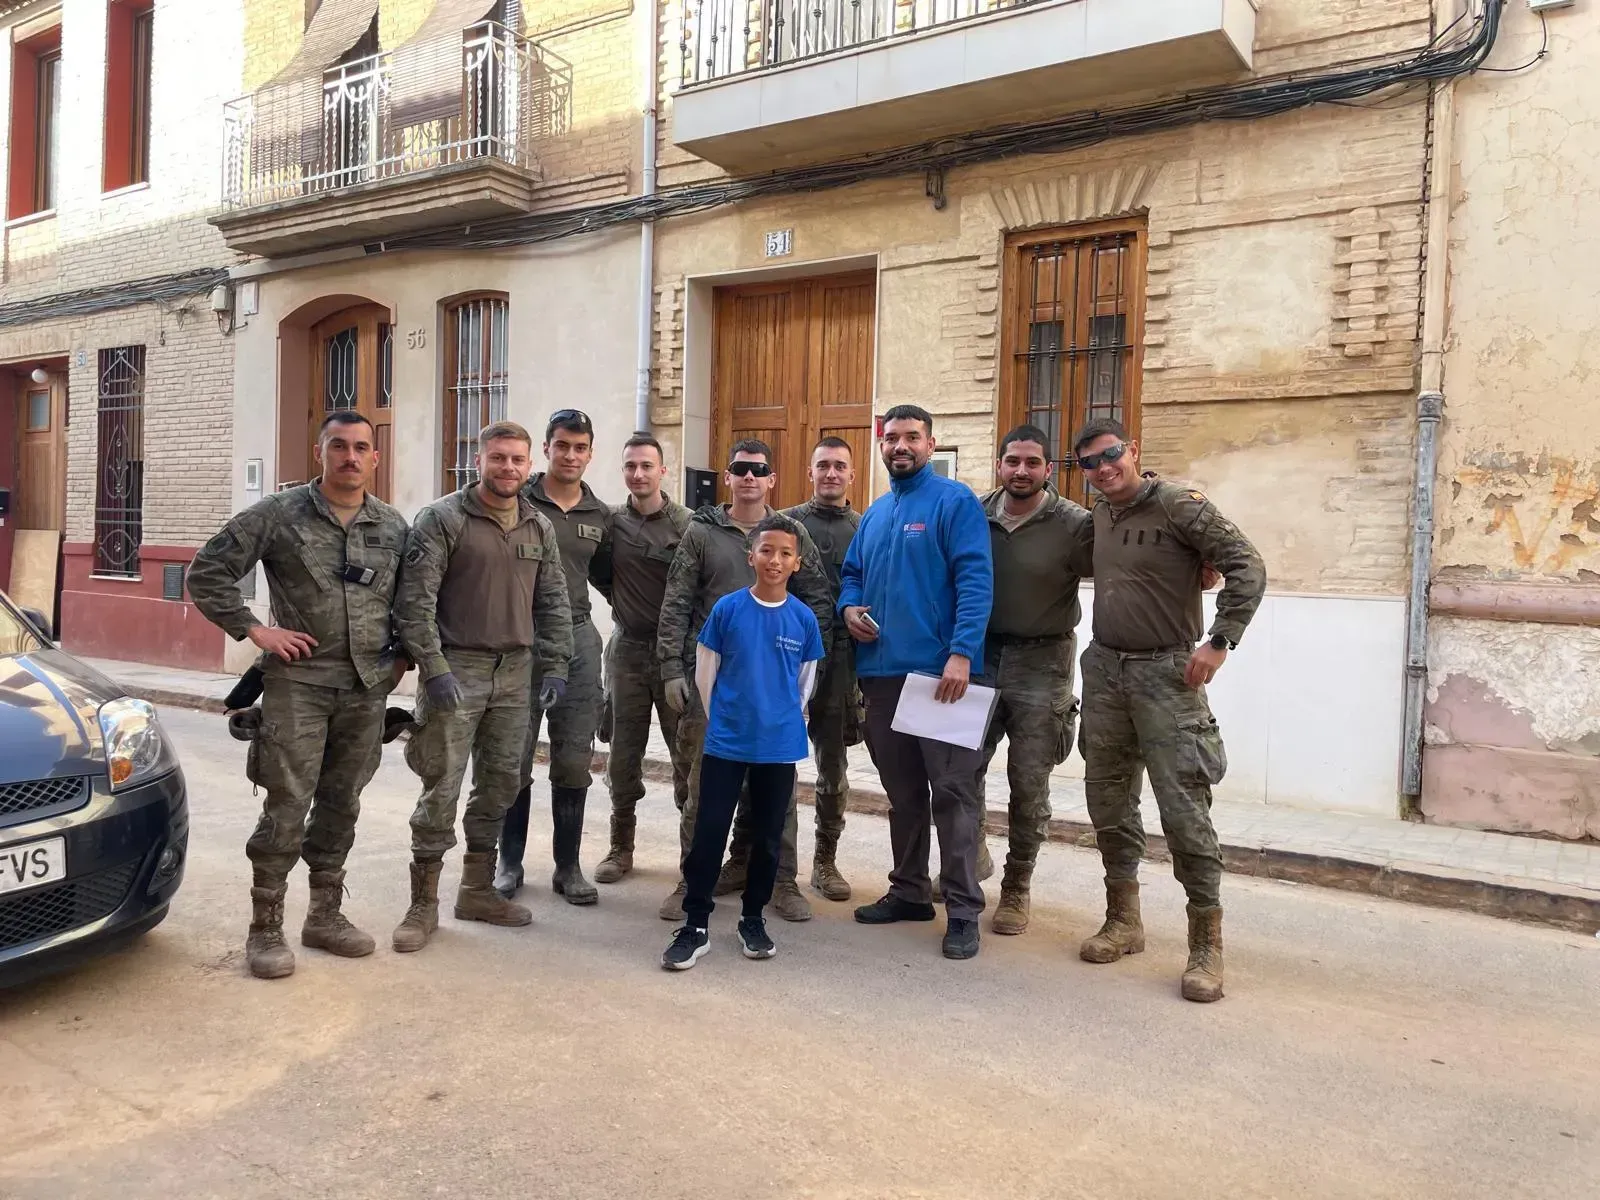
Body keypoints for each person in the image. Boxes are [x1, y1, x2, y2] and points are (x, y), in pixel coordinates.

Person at [187, 410, 409, 980]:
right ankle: (265, 929)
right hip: (298, 687)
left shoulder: (392, 526)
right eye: (339, 446)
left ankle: (325, 916)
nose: (350, 457)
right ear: (320, 452)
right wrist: (255, 630)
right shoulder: (280, 515)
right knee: (287, 803)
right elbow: (207, 570)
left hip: (365, 689)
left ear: (375, 458)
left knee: (342, 803)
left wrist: (405, 658)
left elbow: (413, 600)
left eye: (362, 447)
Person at [1071, 418, 1266, 1003]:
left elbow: (1246, 565)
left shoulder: (1180, 504)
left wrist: (1220, 641)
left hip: (1168, 673)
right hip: (1106, 670)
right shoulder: (1099, 515)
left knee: (1184, 808)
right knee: (1108, 799)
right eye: (1089, 464)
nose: (1103, 469)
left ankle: (1205, 943)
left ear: (1132, 451)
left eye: (1110, 456)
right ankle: (1123, 920)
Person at [391, 421, 573, 952]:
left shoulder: (537, 527)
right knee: (441, 786)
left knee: (500, 785)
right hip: (457, 669)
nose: (509, 468)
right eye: (499, 458)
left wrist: (557, 665)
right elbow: (415, 604)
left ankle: (476, 890)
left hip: (515, 674)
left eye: (518, 460)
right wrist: (434, 668)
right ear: (480, 458)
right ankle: (422, 904)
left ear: (529, 463)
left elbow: (553, 602)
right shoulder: (442, 519)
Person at [654, 438, 835, 924]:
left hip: (775, 682)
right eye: (740, 469)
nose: (750, 477)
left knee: (778, 791)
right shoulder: (702, 531)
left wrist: (814, 680)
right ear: (728, 476)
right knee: (702, 788)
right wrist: (672, 667)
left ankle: (781, 881)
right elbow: (676, 600)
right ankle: (693, 880)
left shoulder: (790, 533)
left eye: (759, 470)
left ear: (771, 479)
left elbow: (817, 600)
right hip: (712, 680)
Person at [842, 405, 994, 961]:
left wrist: (961, 655)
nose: (899, 446)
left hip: (940, 677)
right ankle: (908, 892)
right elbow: (853, 574)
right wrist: (849, 607)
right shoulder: (877, 513)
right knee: (903, 796)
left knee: (952, 796)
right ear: (881, 446)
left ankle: (962, 911)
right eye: (891, 438)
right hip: (882, 675)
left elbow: (976, 579)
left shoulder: (955, 503)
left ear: (931, 445)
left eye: (911, 437)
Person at [662, 515, 825, 970]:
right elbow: (707, 673)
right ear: (750, 555)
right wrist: (728, 720)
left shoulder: (803, 618)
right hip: (726, 741)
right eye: (767, 550)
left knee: (769, 837)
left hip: (779, 745)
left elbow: (804, 684)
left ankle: (752, 918)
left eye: (785, 553)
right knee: (710, 830)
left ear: (797, 562)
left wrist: (777, 719)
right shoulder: (728, 610)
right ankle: (695, 924)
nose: (775, 560)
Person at [975, 425, 1094, 935]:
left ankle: (1017, 887)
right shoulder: (974, 515)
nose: (1021, 470)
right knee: (960, 774)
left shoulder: (1077, 524)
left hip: (1043, 662)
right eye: (1012, 461)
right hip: (977, 658)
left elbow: (1131, 564)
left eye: (1032, 462)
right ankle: (966, 866)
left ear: (1049, 469)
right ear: (999, 465)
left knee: (1028, 783)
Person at [495, 410, 614, 905]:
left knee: (572, 758)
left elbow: (612, 580)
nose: (571, 455)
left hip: (579, 643)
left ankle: (568, 868)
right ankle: (509, 862)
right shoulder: (516, 500)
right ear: (546, 448)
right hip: (520, 641)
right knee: (512, 757)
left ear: (590, 453)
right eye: (562, 445)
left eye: (580, 447)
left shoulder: (600, 515)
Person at [593, 432, 693, 883]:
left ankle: (692, 854)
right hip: (628, 652)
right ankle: (620, 847)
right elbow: (598, 573)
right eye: (630, 466)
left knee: (686, 756)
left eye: (646, 466)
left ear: (662, 471)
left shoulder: (690, 524)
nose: (638, 474)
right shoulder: (610, 523)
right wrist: (625, 604)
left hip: (676, 656)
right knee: (622, 755)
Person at [781, 437, 863, 901]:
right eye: (823, 466)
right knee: (775, 766)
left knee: (833, 767)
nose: (831, 474)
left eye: (840, 467)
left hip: (842, 667)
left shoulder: (866, 527)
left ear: (852, 475)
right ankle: (770, 858)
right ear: (810, 472)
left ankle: (825, 860)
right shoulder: (787, 524)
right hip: (785, 661)